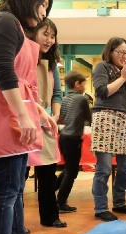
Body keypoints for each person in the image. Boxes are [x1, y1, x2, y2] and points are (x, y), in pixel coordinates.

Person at [0, 0, 58, 234]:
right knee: (6, 189)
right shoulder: (3, 22)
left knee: (16, 188)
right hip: (4, 114)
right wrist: (22, 114)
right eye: (42, 4)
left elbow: (24, 82)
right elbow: (3, 71)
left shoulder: (18, 27)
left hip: (17, 113)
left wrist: (39, 111)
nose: (44, 12)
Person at [91, 37, 126, 222]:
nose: (123, 55)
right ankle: (100, 207)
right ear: (110, 51)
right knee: (103, 168)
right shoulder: (101, 66)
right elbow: (103, 92)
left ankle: (119, 202)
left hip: (123, 118)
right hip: (104, 117)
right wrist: (122, 77)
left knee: (125, 167)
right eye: (120, 51)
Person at [28, 18, 66, 228]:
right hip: (26, 120)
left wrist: (54, 116)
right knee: (20, 174)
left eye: (53, 36)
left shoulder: (51, 64)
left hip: (47, 123)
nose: (49, 40)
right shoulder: (23, 57)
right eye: (45, 34)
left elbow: (58, 95)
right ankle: (16, 225)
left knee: (48, 173)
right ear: (33, 33)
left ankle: (50, 216)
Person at [56, 70, 92, 213]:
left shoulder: (64, 99)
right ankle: (61, 201)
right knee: (72, 172)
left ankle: (54, 192)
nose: (84, 87)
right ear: (77, 84)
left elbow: (61, 118)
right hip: (73, 138)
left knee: (67, 169)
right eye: (84, 84)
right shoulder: (82, 99)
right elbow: (89, 117)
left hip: (64, 137)